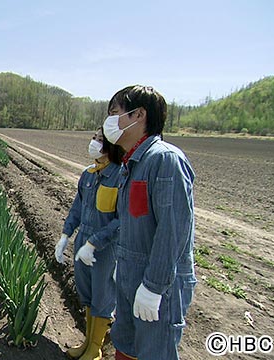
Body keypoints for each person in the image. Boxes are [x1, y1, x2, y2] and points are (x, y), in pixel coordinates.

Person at [103, 85, 196, 360]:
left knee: (153, 353)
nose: (109, 121)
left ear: (138, 115)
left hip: (159, 284)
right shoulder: (132, 164)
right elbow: (132, 224)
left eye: (115, 112)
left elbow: (173, 229)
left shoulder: (164, 160)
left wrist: (154, 286)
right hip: (133, 276)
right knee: (126, 346)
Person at [55, 127, 123, 360]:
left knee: (103, 294)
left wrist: (94, 243)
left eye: (100, 139)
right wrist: (65, 236)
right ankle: (87, 341)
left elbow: (121, 221)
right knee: (86, 291)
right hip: (83, 239)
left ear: (112, 145)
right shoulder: (88, 174)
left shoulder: (120, 176)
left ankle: (96, 347)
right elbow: (77, 208)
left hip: (106, 246)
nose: (94, 142)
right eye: (94, 138)